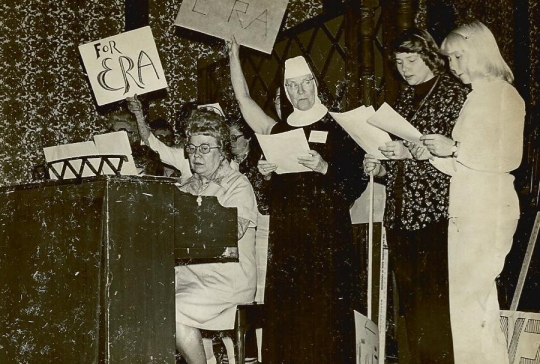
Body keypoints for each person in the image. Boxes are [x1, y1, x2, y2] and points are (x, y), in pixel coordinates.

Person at [229, 38, 367, 363]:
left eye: (305, 83)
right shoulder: (277, 130)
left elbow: (357, 180)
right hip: (289, 239)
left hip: (327, 239)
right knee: (290, 317)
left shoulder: (339, 126)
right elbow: (244, 100)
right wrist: (234, 55)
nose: (300, 92)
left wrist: (325, 167)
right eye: (292, 86)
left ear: (315, 84)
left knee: (326, 316)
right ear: (286, 90)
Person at [418, 21, 525, 364]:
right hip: (468, 208)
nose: (453, 67)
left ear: (479, 50)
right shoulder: (476, 97)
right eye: (449, 60)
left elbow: (508, 157)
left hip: (488, 209)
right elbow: (462, 163)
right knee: (469, 307)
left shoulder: (504, 95)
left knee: (472, 304)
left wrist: (454, 148)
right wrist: (432, 154)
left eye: (458, 57)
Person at [363, 28, 469, 363]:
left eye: (411, 60)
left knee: (437, 311)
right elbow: (400, 163)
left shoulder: (455, 95)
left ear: (429, 57)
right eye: (398, 62)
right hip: (399, 217)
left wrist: (408, 151)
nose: (404, 68)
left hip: (436, 215)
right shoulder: (403, 100)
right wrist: (381, 169)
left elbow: (462, 155)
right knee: (413, 309)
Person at [129, 99, 258, 364]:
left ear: (222, 151)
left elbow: (230, 233)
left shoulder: (238, 185)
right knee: (141, 302)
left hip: (227, 280)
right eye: (191, 148)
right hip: (191, 277)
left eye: (204, 148)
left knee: (170, 310)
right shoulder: (185, 185)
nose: (196, 155)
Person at [108, 110, 164, 176]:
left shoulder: (147, 155)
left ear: (134, 134)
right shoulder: (104, 155)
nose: (116, 135)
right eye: (113, 131)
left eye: (122, 131)